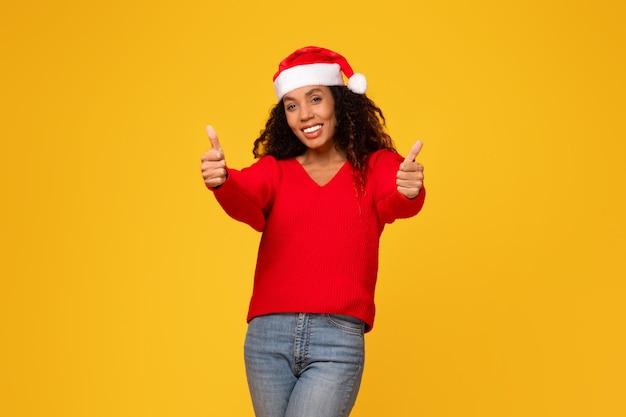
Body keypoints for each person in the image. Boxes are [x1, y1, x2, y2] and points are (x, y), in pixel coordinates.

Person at [200, 46, 426, 417]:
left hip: (336, 341)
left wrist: (410, 186)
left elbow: (398, 196)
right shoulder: (275, 170)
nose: (304, 114)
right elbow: (244, 195)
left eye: (315, 99)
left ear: (339, 101)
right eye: (291, 105)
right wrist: (222, 179)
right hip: (266, 339)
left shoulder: (374, 168)